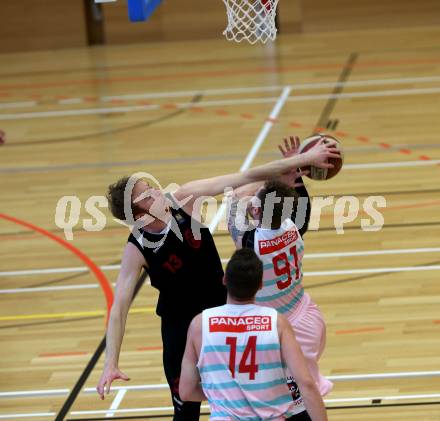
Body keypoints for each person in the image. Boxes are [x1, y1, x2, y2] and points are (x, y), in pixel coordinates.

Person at [96, 139, 339, 420]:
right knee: (186, 410)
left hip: (222, 321)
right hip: (181, 330)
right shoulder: (137, 246)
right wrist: (110, 362)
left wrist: (300, 162)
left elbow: (246, 176)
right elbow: (119, 308)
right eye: (147, 194)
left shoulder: (184, 200)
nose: (156, 189)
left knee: (261, 397)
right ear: (138, 215)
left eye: (150, 186)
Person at [227, 136, 333, 396]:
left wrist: (287, 167)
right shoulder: (294, 227)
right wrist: (294, 171)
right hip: (308, 317)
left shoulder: (251, 242)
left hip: (280, 330)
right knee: (307, 392)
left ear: (257, 211)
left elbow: (234, 195)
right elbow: (298, 204)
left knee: (289, 401)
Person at [179, 248, 328, 421]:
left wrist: (225, 393)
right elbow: (306, 384)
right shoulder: (276, 323)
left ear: (225, 280)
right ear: (260, 285)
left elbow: (186, 391)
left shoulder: (200, 324)